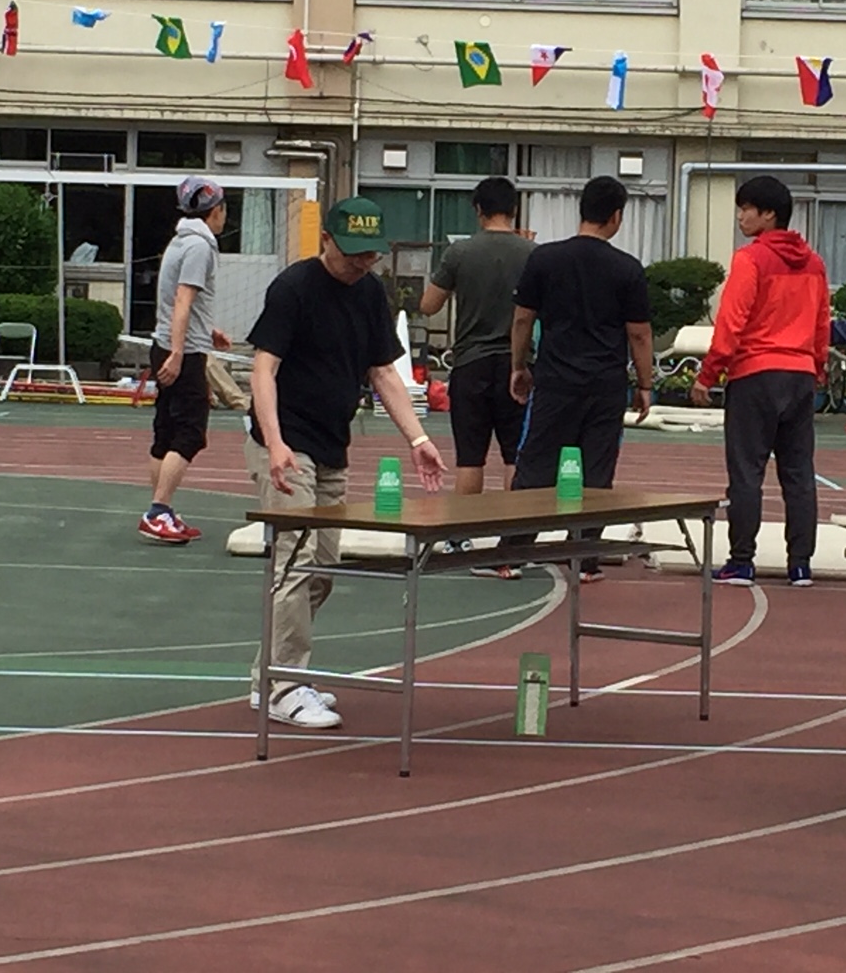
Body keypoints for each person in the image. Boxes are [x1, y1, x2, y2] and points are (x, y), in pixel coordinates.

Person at [245, 196, 447, 729]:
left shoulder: (370, 294)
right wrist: (275, 442)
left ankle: (268, 675)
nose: (361, 263)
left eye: (370, 254)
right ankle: (285, 685)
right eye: (352, 252)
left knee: (322, 571)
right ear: (326, 240)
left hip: (332, 444)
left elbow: (383, 372)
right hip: (287, 445)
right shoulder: (293, 288)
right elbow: (263, 370)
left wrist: (417, 437)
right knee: (295, 561)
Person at [508, 175, 653, 583]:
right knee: (597, 470)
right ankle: (584, 557)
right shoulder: (627, 268)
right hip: (605, 384)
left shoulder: (545, 259)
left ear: (582, 210)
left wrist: (519, 366)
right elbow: (639, 334)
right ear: (616, 216)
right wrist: (645, 384)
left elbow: (522, 319)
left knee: (536, 464)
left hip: (555, 379)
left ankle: (512, 552)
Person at [694, 175, 829, 588]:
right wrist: (817, 367)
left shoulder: (750, 259)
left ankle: (742, 560)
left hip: (755, 374)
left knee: (746, 471)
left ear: (768, 214)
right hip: (800, 374)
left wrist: (708, 375)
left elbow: (731, 322)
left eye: (746, 209)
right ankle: (800, 564)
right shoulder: (814, 264)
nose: (740, 217)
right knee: (799, 473)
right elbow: (822, 323)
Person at [420, 177, 535, 504]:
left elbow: (428, 305)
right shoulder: (533, 253)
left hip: (471, 363)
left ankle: (464, 528)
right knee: (515, 455)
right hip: (518, 365)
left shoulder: (460, 252)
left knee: (470, 458)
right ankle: (514, 529)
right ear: (514, 210)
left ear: (478, 209)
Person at [140, 176, 231, 545]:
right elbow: (182, 299)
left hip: (166, 343)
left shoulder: (179, 241)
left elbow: (176, 302)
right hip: (184, 352)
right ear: (215, 210)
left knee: (165, 432)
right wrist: (179, 352)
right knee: (190, 433)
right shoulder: (199, 247)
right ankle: (158, 511)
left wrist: (208, 330)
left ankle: (162, 511)